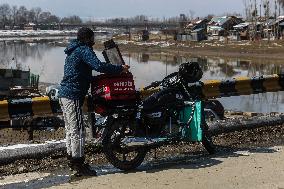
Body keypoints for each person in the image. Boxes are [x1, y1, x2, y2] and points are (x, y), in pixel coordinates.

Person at [58, 27, 129, 177]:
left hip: (64, 94)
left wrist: (94, 79)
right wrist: (119, 69)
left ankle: (73, 160)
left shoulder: (73, 49)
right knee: (78, 130)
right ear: (88, 38)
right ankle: (79, 163)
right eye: (92, 37)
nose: (93, 40)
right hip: (72, 94)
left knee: (71, 130)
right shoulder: (84, 50)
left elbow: (79, 73)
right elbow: (99, 66)